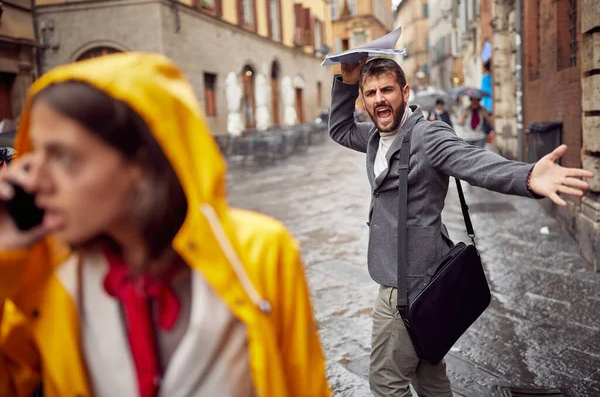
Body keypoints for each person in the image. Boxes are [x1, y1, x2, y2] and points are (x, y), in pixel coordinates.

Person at [0, 53, 330, 397]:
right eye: (36, 154)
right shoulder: (50, 278)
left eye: (64, 157)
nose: (35, 180)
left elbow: (305, 385)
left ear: (141, 164)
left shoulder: (260, 253)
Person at [328, 57, 593, 397]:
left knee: (385, 384)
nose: (379, 98)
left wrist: (526, 176)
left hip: (407, 285)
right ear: (363, 101)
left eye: (388, 90)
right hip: (412, 277)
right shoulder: (373, 137)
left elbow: (473, 162)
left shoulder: (428, 136)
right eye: (371, 93)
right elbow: (339, 129)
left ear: (405, 92)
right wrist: (346, 81)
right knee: (430, 377)